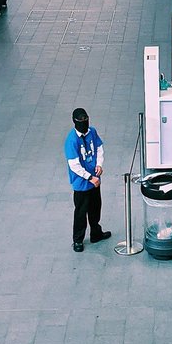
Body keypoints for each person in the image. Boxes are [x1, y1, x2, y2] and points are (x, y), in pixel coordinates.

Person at [64, 107, 111, 252]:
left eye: (86, 119)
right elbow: (74, 165)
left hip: (95, 180)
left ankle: (96, 233)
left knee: (96, 208)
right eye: (81, 121)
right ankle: (77, 239)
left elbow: (99, 147)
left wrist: (99, 164)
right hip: (82, 183)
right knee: (81, 212)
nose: (85, 123)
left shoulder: (92, 132)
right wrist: (90, 177)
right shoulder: (71, 141)